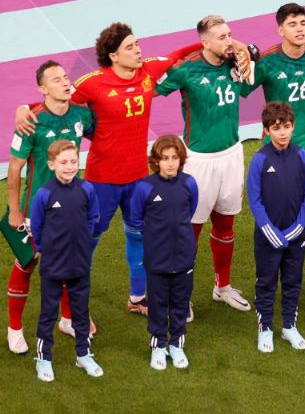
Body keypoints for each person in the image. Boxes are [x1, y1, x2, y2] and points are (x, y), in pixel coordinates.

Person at [13, 24, 220, 313]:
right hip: (102, 182)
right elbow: (56, 102)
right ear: (113, 56)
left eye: (137, 44)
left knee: (139, 235)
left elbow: (177, 55)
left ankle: (137, 299)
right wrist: (24, 106)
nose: (138, 51)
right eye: (130, 47)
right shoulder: (92, 83)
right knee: (87, 242)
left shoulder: (147, 70)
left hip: (138, 178)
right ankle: (71, 309)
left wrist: (219, 45)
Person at [241, 3, 305, 296]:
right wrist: (242, 64)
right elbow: (244, 90)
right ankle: (272, 274)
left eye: (303, 23)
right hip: (276, 151)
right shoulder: (269, 61)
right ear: (280, 29)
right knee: (275, 209)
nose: (299, 29)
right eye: (293, 24)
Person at [156, 15, 254, 313]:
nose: (229, 41)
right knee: (191, 229)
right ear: (205, 42)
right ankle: (181, 296)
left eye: (230, 35)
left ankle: (221, 287)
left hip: (232, 155)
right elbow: (150, 88)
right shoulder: (185, 70)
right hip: (198, 162)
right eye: (222, 37)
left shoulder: (237, 63)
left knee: (226, 224)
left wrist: (239, 49)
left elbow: (249, 78)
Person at [4, 61, 94, 353]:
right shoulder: (31, 121)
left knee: (68, 262)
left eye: (66, 77)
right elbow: (15, 168)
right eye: (56, 80)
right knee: (28, 263)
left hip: (70, 206)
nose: (65, 82)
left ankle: (67, 319)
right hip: (36, 210)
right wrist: (15, 210)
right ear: (43, 89)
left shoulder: (82, 115)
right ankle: (14, 329)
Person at [30, 140, 102, 381]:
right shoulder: (45, 194)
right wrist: (46, 249)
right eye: (63, 162)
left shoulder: (86, 189)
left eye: (73, 161)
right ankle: (43, 359)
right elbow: (37, 228)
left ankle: (83, 354)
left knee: (81, 311)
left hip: (80, 262)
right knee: (49, 312)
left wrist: (81, 241)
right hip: (53, 265)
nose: (69, 167)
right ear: (51, 165)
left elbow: (92, 217)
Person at [246, 102, 305, 353]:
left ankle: (289, 326)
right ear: (266, 130)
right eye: (276, 128)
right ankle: (265, 328)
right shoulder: (259, 160)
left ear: (293, 127)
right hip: (267, 237)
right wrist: (269, 230)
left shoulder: (303, 157)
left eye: (286, 127)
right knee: (266, 282)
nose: (282, 133)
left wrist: (298, 227)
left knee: (293, 281)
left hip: (295, 235)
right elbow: (254, 199)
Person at [129, 135, 199, 370]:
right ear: (156, 161)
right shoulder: (144, 187)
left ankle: (177, 344)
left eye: (174, 158)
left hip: (184, 256)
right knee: (158, 304)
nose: (170, 163)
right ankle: (158, 345)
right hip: (156, 258)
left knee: (180, 302)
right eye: (165, 158)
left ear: (181, 160)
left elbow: (190, 211)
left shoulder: (189, 183)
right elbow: (136, 219)